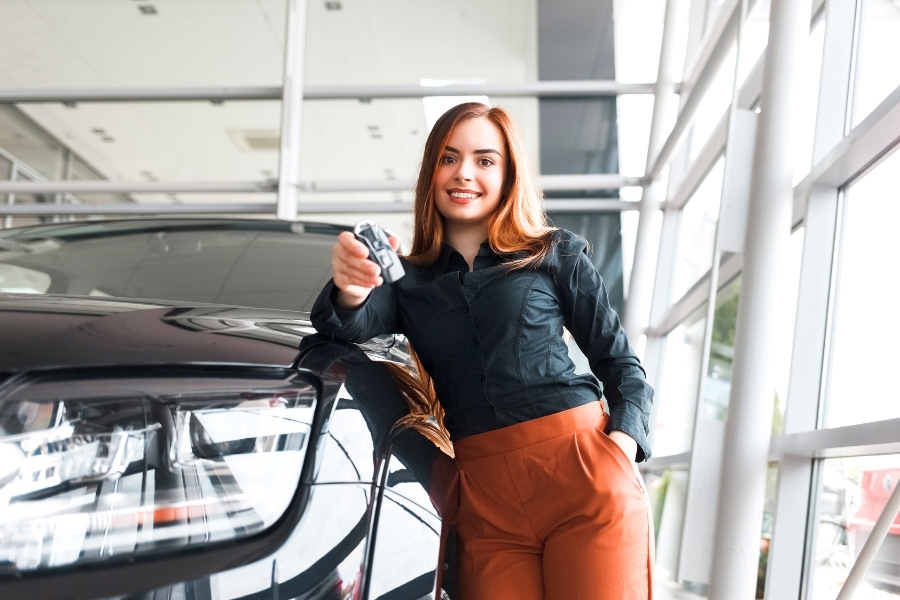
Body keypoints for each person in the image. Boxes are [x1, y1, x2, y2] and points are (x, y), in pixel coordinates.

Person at [311, 102, 654, 599]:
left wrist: (618, 449)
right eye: (448, 158)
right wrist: (350, 285)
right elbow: (342, 332)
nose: (464, 173)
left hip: (583, 474)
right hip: (482, 496)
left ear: (508, 173)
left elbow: (622, 367)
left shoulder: (554, 253)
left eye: (484, 160)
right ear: (431, 172)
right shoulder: (406, 284)